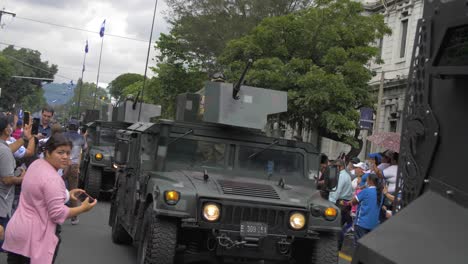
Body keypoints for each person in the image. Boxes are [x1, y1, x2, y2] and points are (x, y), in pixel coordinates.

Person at [2, 133, 97, 264]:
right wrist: (82, 208)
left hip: (17, 232)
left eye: (68, 153)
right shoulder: (53, 179)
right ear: (47, 152)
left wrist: (68, 194)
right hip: (35, 238)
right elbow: (58, 214)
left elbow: (40, 195)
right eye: (60, 152)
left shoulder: (36, 165)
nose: (65, 157)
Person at [0, 116, 25, 250]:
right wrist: (22, 178)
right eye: (10, 125)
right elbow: (7, 179)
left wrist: (25, 138)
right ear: (6, 130)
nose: (12, 127)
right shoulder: (4, 151)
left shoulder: (5, 149)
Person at [63, 119, 87, 225]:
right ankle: (74, 217)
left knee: (58, 189)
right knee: (73, 190)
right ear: (77, 128)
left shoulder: (63, 136)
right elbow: (86, 149)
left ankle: (56, 213)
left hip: (62, 165)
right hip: (74, 167)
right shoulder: (81, 138)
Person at [328, 160, 353, 251]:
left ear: (340, 167)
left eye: (335, 166)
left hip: (340, 203)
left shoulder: (342, 176)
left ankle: (336, 247)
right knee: (339, 225)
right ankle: (337, 246)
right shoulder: (346, 175)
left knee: (336, 226)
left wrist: (330, 203)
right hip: (344, 203)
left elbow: (337, 191)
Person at [351, 173, 382, 244]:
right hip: (373, 224)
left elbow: (354, 202)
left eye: (367, 180)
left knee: (358, 245)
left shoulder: (366, 191)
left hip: (361, 223)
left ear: (370, 181)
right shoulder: (380, 193)